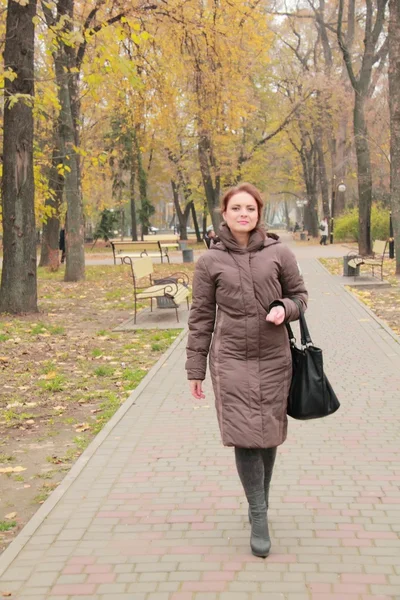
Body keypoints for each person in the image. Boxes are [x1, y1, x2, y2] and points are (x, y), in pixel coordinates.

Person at [186, 183, 308, 558]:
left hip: (273, 357)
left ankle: (261, 502)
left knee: (267, 435)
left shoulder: (279, 253)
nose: (243, 213)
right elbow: (201, 317)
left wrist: (283, 309)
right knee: (245, 435)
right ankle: (258, 514)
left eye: (250, 208)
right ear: (224, 214)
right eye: (236, 208)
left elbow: (300, 297)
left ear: (258, 213)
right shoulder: (209, 262)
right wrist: (195, 369)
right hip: (231, 359)